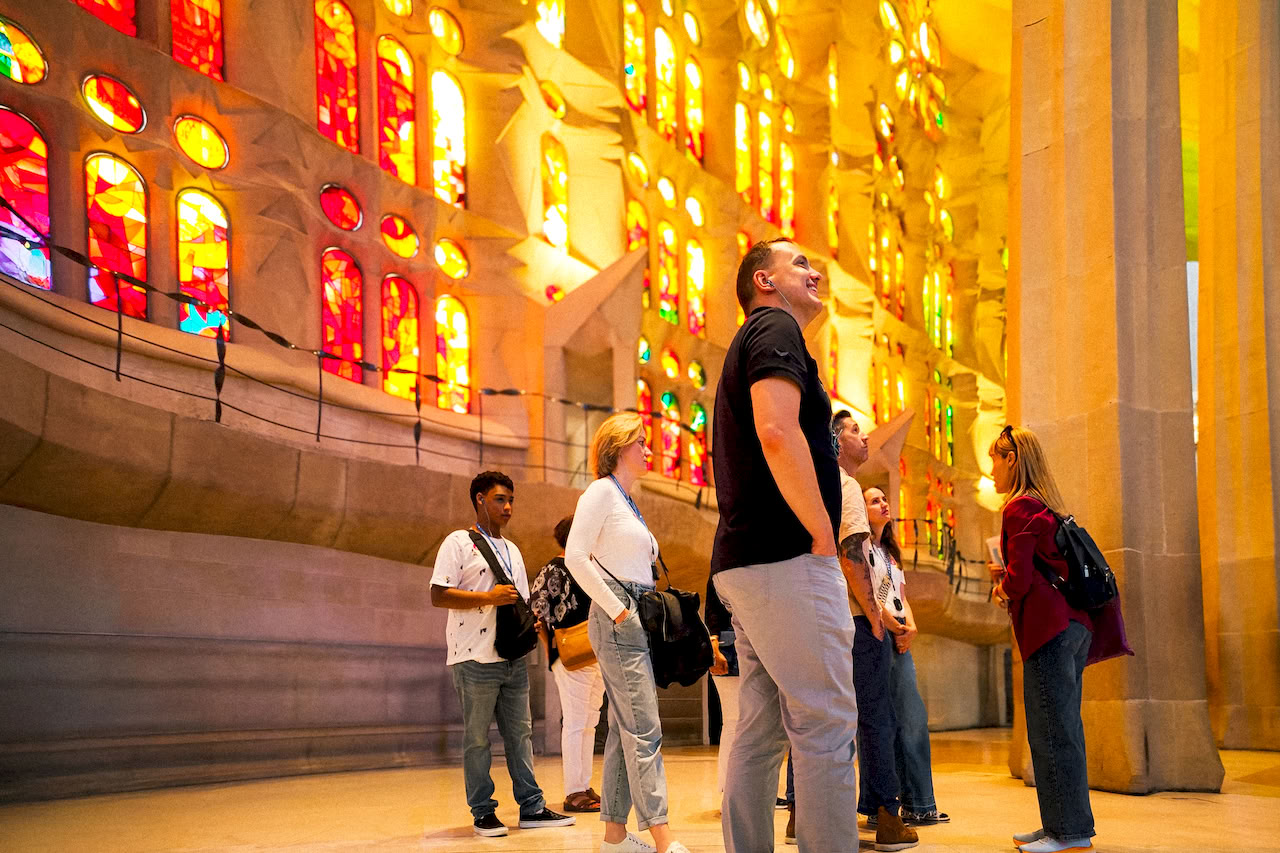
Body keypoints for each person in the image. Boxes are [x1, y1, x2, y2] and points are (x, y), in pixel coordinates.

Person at [709, 238, 860, 853]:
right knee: (824, 722)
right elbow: (775, 430)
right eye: (799, 263)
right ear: (764, 281)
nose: (815, 270)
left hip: (748, 563)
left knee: (762, 726)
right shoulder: (773, 326)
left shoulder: (754, 337)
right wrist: (822, 533)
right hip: (786, 557)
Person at [564, 413, 691, 853]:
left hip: (634, 611)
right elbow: (575, 557)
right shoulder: (600, 492)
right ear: (619, 448)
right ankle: (662, 837)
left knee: (624, 728)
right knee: (645, 729)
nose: (649, 449)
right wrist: (619, 610)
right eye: (641, 442)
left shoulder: (626, 498)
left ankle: (615, 837)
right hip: (619, 614)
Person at [429, 471, 576, 837]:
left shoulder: (512, 550)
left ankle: (532, 807)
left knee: (520, 735)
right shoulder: (458, 543)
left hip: (512, 657)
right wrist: (487, 598)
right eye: (499, 499)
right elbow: (438, 594)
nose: (508, 507)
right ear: (479, 499)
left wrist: (533, 624)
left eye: (511, 500)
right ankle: (482, 811)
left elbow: (521, 602)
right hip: (474, 658)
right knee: (477, 738)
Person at [987, 426, 1095, 853]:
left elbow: (1018, 583)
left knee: (1050, 730)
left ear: (1011, 459)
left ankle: (1068, 833)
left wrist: (1001, 588)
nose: (992, 470)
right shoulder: (1047, 507)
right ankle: (1063, 824)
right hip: (1074, 627)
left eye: (994, 460)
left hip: (1048, 630)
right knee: (1064, 728)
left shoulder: (1018, 508)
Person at [833, 412, 919, 851]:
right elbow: (852, 555)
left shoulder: (818, 485)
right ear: (835, 439)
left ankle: (797, 813)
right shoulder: (845, 485)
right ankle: (888, 815)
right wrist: (875, 616)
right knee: (876, 718)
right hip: (856, 621)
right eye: (852, 430)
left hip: (830, 618)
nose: (863, 436)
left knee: (821, 716)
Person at [863, 485, 949, 826]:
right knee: (883, 724)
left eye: (884, 499)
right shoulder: (862, 547)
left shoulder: (890, 552)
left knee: (912, 720)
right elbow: (866, 593)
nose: (884, 504)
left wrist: (910, 627)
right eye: (874, 501)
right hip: (878, 635)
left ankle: (919, 802)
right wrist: (894, 626)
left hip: (898, 635)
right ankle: (883, 808)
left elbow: (900, 596)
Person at [530, 515, 606, 814]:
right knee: (576, 722)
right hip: (572, 654)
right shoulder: (555, 568)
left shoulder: (589, 567)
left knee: (590, 722)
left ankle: (583, 784)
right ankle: (574, 791)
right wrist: (552, 650)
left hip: (595, 653)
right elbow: (536, 610)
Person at [704, 577, 738, 801]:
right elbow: (713, 606)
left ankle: (738, 789)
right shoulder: (726, 561)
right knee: (735, 721)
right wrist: (714, 645)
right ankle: (730, 789)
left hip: (737, 644)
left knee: (744, 724)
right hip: (728, 646)